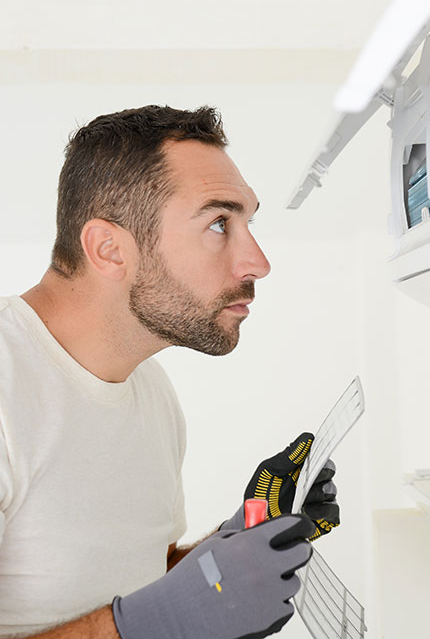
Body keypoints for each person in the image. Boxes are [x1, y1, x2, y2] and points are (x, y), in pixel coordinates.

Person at [0, 105, 339, 638]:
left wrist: (237, 541)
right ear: (109, 249)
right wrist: (157, 622)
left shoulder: (150, 391)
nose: (258, 261)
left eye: (249, 222)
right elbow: (143, 617)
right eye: (219, 223)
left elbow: (131, 578)